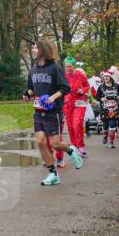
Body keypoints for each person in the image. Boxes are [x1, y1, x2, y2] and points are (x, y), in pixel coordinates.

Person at [26, 38, 82, 186]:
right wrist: (27, 94)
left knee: (55, 144)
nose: (33, 50)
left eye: (35, 48)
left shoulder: (54, 67)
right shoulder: (33, 69)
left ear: (42, 50)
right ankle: (53, 174)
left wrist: (52, 98)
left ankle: (70, 150)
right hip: (38, 112)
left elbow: (65, 88)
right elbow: (30, 88)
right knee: (40, 142)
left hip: (53, 113)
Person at [62, 56, 89, 157]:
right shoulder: (63, 76)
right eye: (66, 66)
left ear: (74, 66)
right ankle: (74, 146)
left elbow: (87, 86)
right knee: (70, 126)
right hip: (67, 104)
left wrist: (83, 91)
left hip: (79, 103)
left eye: (70, 66)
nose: (68, 68)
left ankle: (80, 146)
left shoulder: (80, 74)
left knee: (77, 124)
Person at [96, 71, 119, 149]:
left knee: (112, 124)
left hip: (114, 109)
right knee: (105, 126)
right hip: (105, 109)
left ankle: (111, 142)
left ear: (110, 77)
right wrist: (101, 99)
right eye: (104, 77)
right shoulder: (101, 87)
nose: (106, 78)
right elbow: (97, 97)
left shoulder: (116, 86)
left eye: (107, 76)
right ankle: (105, 135)